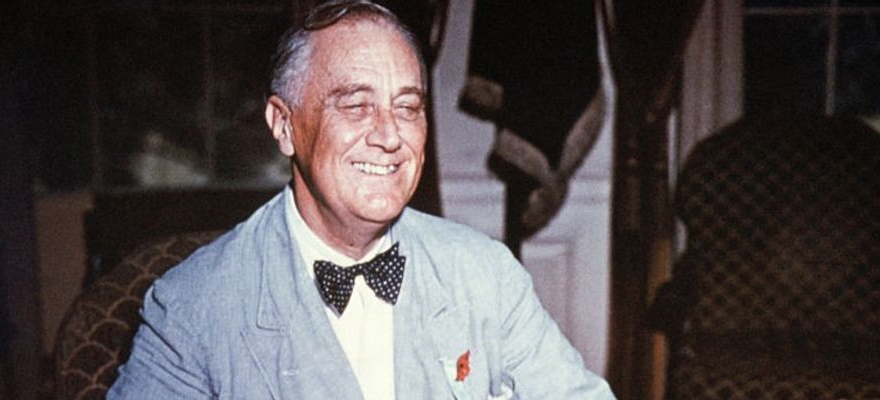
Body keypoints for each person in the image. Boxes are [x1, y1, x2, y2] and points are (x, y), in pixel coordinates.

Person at [107, 1, 615, 398]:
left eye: (407, 107)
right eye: (356, 105)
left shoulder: (485, 275)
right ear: (284, 126)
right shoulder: (194, 309)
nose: (390, 136)